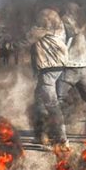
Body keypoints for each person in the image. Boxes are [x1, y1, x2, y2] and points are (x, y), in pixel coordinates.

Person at [27, 8, 69, 150]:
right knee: (39, 98)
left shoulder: (45, 26)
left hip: (50, 65)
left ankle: (62, 140)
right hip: (55, 64)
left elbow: (29, 37)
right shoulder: (58, 24)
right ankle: (41, 135)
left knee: (51, 103)